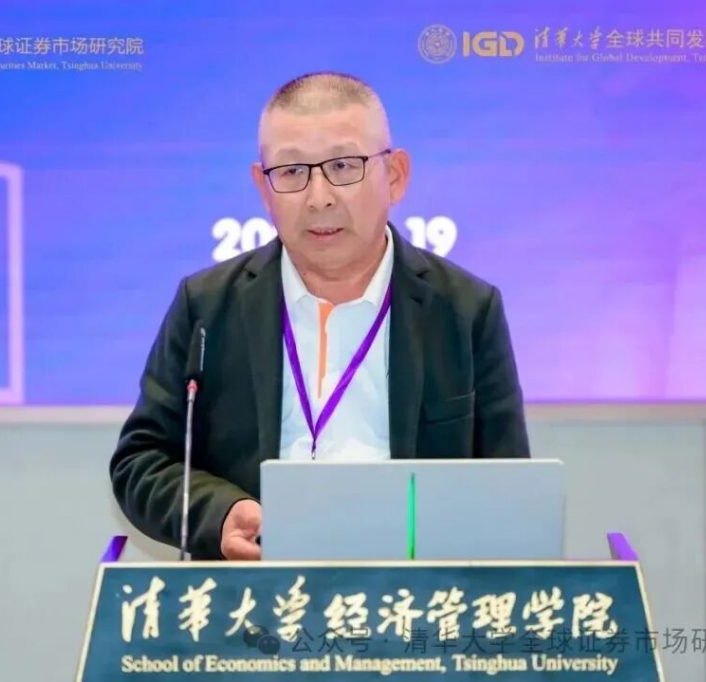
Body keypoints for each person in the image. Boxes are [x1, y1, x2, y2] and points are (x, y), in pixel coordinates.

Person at [110, 71, 530, 561]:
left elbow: (508, 487)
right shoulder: (206, 306)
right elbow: (141, 462)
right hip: (258, 587)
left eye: (344, 166)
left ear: (395, 175)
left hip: (409, 587)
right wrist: (220, 514)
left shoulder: (465, 309)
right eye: (292, 172)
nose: (319, 197)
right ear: (263, 187)